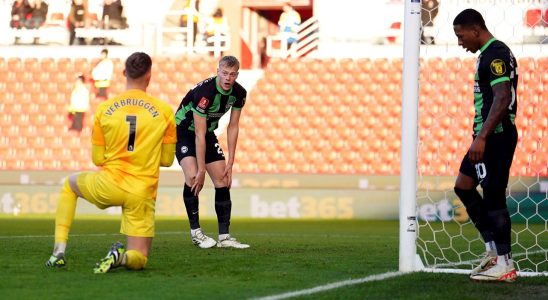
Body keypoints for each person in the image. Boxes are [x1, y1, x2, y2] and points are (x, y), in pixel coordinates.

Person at [45, 52, 177, 273]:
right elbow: (166, 159)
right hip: (142, 192)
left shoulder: (105, 109)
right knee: (140, 257)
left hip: (109, 184)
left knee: (70, 185)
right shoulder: (164, 112)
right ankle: (121, 258)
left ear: (124, 73)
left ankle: (58, 251)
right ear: (149, 75)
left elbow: (97, 159)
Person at [452, 9, 518, 282]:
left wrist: (482, 137)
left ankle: (505, 263)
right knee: (463, 185)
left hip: (495, 136)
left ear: (475, 30)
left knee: (493, 196)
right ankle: (492, 250)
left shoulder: (495, 54)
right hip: (485, 135)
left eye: (461, 35)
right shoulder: (489, 54)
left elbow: (502, 99)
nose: (459, 42)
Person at [175, 55, 249, 249]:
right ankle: (196, 233)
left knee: (222, 180)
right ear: (218, 71)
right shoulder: (205, 94)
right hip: (184, 131)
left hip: (206, 133)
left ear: (237, 75)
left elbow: (233, 126)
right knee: (192, 177)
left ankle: (224, 237)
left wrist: (231, 162)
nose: (228, 78)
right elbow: (198, 134)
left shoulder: (239, 93)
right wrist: (201, 170)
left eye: (232, 75)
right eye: (224, 73)